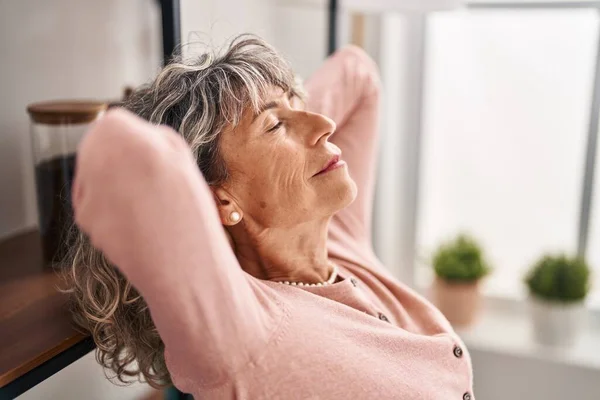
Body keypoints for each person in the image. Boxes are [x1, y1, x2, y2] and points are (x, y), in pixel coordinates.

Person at [65, 35, 475, 399]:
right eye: (276, 126)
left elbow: (358, 72)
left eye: (303, 107)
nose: (325, 125)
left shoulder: (340, 243)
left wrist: (278, 114)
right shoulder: (239, 332)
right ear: (221, 202)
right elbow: (119, 151)